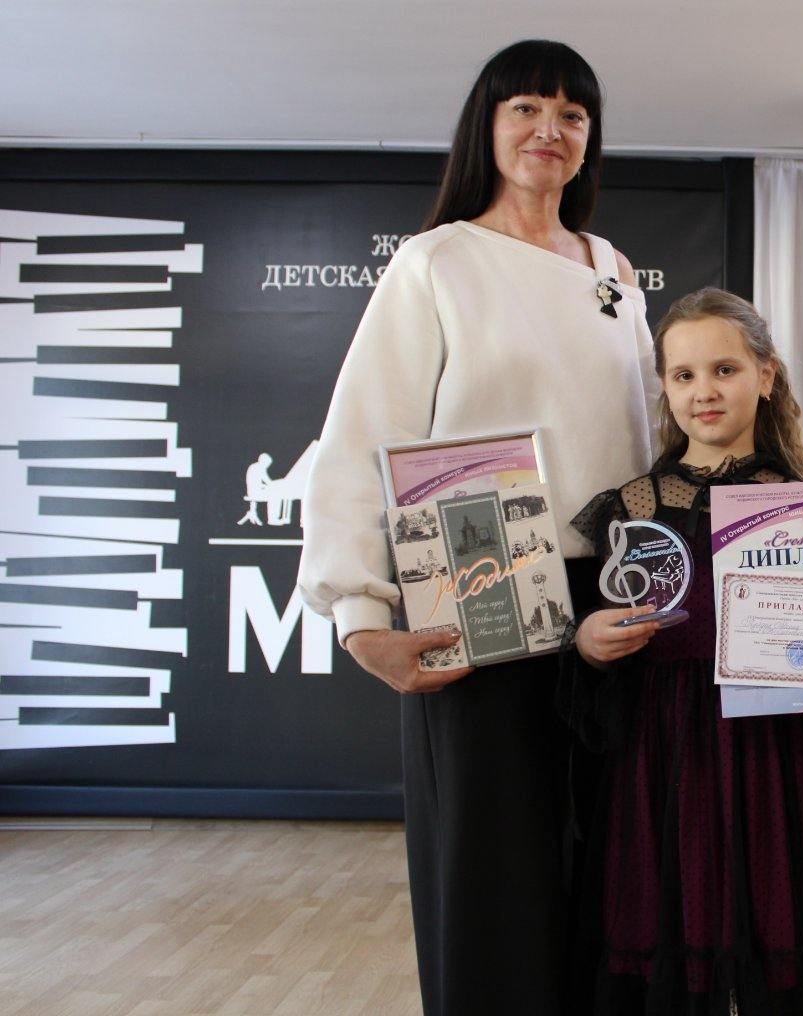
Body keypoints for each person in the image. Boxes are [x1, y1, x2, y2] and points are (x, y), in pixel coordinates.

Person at [295, 40, 657, 1015]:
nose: (550, 129)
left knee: (616, 864)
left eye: (572, 113)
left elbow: (650, 437)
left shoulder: (613, 269)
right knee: (495, 869)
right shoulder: (437, 262)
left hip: (614, 593)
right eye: (526, 107)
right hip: (480, 574)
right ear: (486, 128)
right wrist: (358, 613)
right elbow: (359, 437)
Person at [562, 288, 803, 1015]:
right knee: (675, 932)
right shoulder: (630, 509)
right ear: (664, 388)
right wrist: (590, 644)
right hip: (665, 756)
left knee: (780, 936)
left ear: (766, 376)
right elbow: (592, 651)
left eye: (725, 369)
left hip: (779, 756)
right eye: (684, 375)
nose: (705, 391)